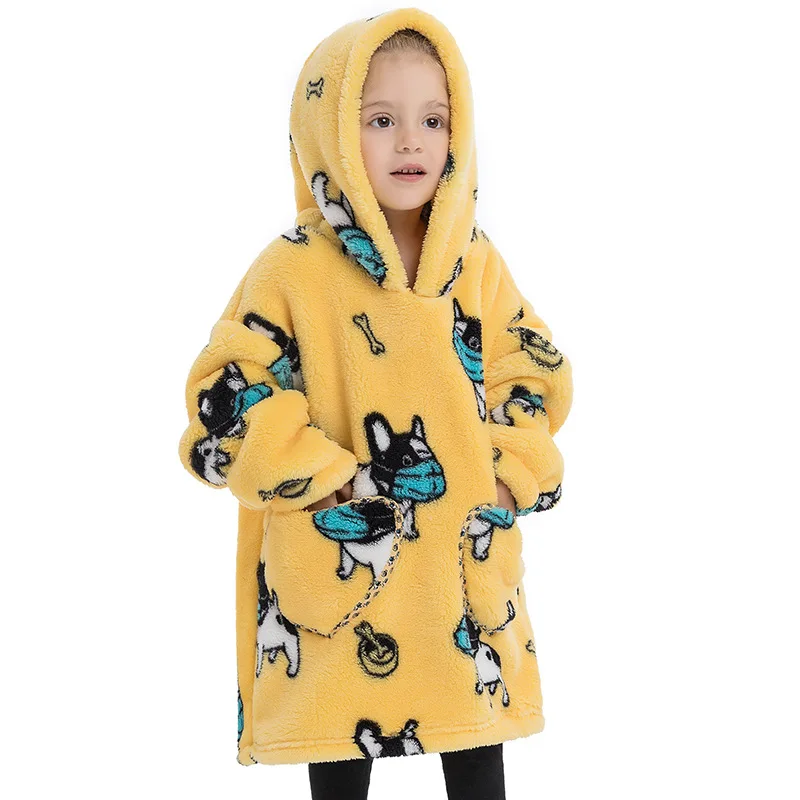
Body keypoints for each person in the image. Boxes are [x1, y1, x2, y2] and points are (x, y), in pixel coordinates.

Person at [177, 7, 573, 799]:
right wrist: (322, 479)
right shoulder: (292, 270)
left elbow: (531, 369)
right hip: (346, 571)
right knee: (339, 756)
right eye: (381, 120)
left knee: (476, 757)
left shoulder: (475, 261)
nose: (409, 143)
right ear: (329, 130)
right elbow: (226, 395)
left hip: (461, 577)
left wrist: (507, 474)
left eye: (433, 119)